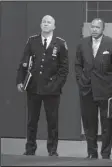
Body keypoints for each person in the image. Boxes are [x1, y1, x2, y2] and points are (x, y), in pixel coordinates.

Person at [16, 15, 69, 156]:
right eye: (44, 22)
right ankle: (30, 148)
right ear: (40, 25)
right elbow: (23, 62)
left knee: (52, 121)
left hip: (52, 89)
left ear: (54, 26)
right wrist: (20, 81)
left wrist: (56, 85)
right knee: (32, 120)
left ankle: (52, 150)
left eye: (49, 22)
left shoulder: (60, 44)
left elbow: (64, 69)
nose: (46, 24)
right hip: (34, 87)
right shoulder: (32, 41)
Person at [75, 18, 112, 159]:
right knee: (89, 123)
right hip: (87, 89)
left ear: (103, 28)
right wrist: (80, 80)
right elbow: (77, 64)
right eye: (92, 27)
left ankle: (106, 153)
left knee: (107, 124)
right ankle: (92, 152)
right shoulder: (82, 43)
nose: (94, 29)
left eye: (97, 27)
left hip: (106, 90)